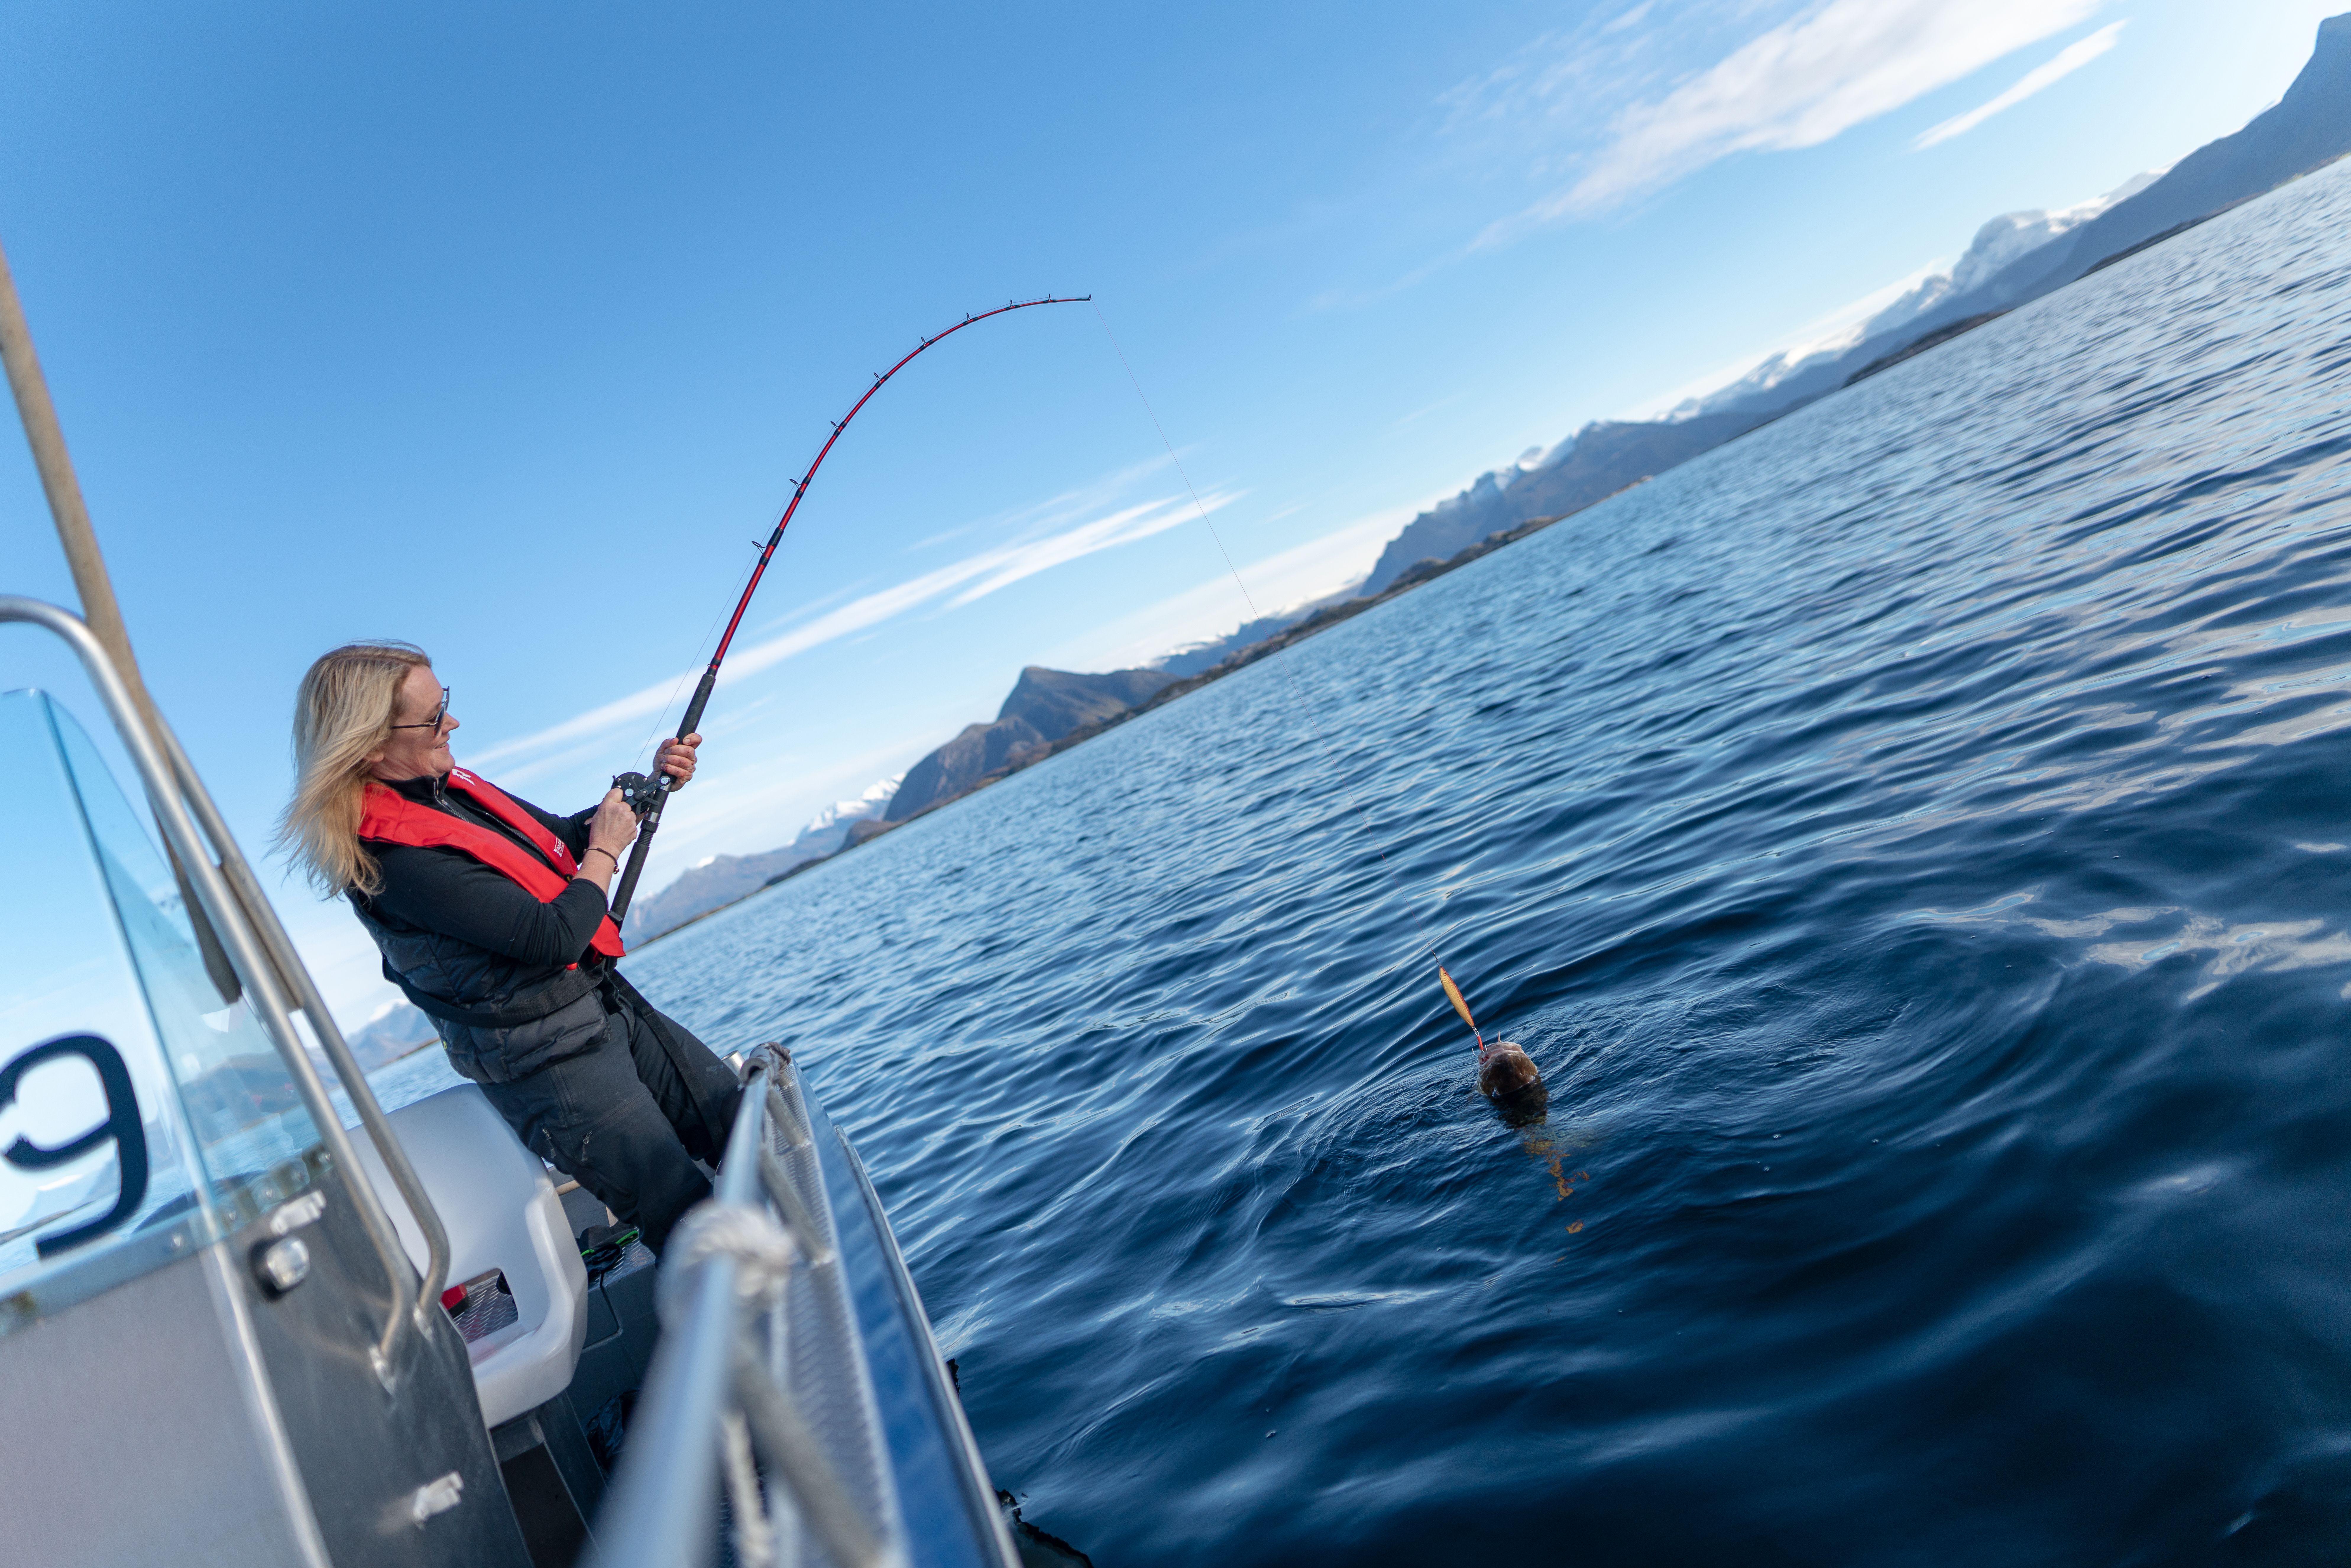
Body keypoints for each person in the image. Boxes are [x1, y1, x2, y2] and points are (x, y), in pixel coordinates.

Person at [279, 641, 742, 1255]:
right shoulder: (392, 859)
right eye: (432, 716)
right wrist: (605, 850)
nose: (452, 722)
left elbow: (560, 842)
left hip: (601, 1010)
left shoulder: (447, 790)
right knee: (689, 1223)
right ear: (368, 745)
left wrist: (648, 789)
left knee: (738, 1121)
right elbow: (552, 936)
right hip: (553, 1069)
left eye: (444, 701)